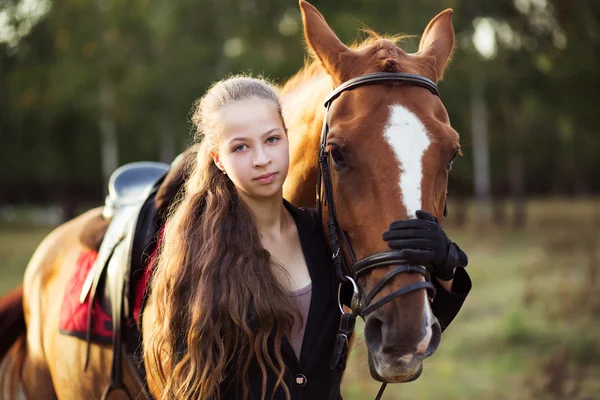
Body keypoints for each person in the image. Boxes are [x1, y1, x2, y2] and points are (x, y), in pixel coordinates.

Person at [143, 75, 471, 400]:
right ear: (219, 159)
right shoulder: (197, 254)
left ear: (288, 138)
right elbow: (189, 382)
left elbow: (408, 327)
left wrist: (443, 267)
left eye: (271, 140)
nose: (261, 159)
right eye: (241, 147)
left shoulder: (324, 237)